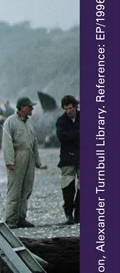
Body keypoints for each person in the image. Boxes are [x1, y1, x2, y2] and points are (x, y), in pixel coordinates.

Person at [2, 96, 44, 228]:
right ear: (22, 108)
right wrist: (9, 161)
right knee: (15, 189)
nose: (32, 109)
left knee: (26, 188)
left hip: (29, 157)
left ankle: (21, 217)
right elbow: (7, 143)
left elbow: (34, 142)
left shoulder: (30, 122)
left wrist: (37, 160)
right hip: (17, 156)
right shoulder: (10, 122)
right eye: (30, 107)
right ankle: (10, 219)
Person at [55, 95, 80, 224]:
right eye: (65, 109)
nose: (68, 111)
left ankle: (79, 213)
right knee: (67, 187)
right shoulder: (61, 121)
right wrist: (79, 134)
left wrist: (71, 136)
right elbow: (62, 138)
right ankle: (68, 214)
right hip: (67, 158)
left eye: (70, 108)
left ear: (76, 106)